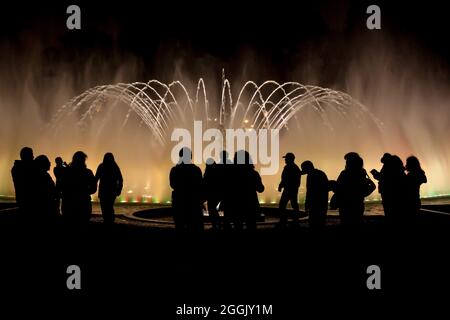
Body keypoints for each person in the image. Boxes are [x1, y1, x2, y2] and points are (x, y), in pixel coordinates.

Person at [224, 150, 265, 231]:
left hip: (236, 205)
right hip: (250, 205)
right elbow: (260, 189)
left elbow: (226, 189)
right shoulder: (253, 173)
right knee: (251, 226)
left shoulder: (231, 173)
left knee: (237, 226)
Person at [169, 147, 204, 233]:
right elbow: (200, 186)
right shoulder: (196, 170)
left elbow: (172, 185)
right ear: (190, 157)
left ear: (180, 156)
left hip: (179, 202)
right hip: (193, 203)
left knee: (179, 227)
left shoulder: (174, 170)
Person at [336, 152, 372, 227]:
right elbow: (371, 187)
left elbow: (338, 187)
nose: (346, 162)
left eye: (347, 161)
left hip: (345, 204)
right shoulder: (362, 173)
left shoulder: (344, 173)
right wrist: (363, 194)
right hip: (358, 203)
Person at [61, 151, 97, 225]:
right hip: (83, 204)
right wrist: (86, 192)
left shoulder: (66, 172)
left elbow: (61, 186)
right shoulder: (88, 172)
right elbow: (94, 188)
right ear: (83, 161)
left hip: (68, 203)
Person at [371, 153, 406, 221]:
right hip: (397, 193)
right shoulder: (398, 168)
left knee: (389, 211)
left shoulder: (387, 167)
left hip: (387, 192)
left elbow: (383, 177)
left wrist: (374, 173)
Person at [95, 153, 123, 224]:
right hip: (111, 191)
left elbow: (96, 178)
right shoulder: (115, 167)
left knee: (105, 207)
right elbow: (120, 179)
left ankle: (107, 221)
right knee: (109, 207)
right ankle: (110, 221)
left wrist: (93, 187)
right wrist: (119, 189)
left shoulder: (101, 166)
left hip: (104, 191)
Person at [301, 161, 329, 229]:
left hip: (315, 203)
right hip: (322, 202)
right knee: (321, 222)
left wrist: (307, 203)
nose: (302, 170)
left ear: (307, 168)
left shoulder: (311, 176)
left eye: (303, 168)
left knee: (314, 222)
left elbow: (310, 191)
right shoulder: (320, 173)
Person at [277, 152, 301, 227]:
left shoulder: (290, 167)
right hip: (291, 189)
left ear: (290, 159)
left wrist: (281, 185)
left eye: (286, 158)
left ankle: (285, 220)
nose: (285, 160)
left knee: (283, 204)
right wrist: (281, 185)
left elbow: (285, 178)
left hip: (289, 189)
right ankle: (294, 219)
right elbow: (285, 178)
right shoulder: (293, 167)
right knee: (293, 204)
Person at [33, 155, 58, 222]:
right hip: (46, 208)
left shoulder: (41, 175)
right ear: (43, 164)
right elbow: (51, 190)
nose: (50, 163)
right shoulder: (44, 176)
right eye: (48, 162)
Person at [11, 147, 35, 215]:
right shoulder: (23, 168)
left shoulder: (17, 167)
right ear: (26, 156)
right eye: (31, 154)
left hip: (22, 200)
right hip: (27, 201)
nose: (33, 157)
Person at [203, 158, 221, 230]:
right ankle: (218, 224)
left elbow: (205, 184)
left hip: (210, 195)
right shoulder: (217, 173)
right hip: (217, 194)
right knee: (213, 210)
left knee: (212, 210)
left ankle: (216, 225)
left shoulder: (207, 173)